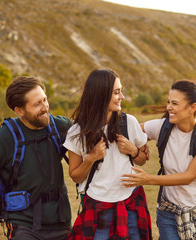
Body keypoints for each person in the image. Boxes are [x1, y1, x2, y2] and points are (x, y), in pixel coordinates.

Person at [122, 80, 196, 240]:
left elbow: (188, 176)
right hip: (169, 213)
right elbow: (128, 131)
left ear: (192, 107)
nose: (168, 107)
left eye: (175, 103)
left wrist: (148, 179)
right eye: (168, 102)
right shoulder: (161, 126)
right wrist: (138, 147)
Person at [0, 76, 72, 240]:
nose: (45, 107)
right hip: (23, 224)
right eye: (37, 104)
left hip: (61, 222)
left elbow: (90, 132)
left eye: (45, 100)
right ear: (19, 110)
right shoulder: (4, 137)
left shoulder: (59, 126)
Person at [64, 68, 152, 240]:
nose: (122, 97)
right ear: (101, 95)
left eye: (121, 91)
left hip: (131, 202)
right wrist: (91, 158)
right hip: (98, 206)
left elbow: (141, 160)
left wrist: (133, 151)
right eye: (117, 92)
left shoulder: (129, 122)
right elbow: (75, 176)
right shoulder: (77, 131)